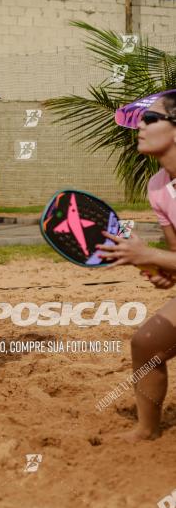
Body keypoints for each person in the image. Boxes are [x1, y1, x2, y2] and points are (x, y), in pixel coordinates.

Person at [97, 92, 176, 440]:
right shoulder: (159, 187)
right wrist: (164, 272)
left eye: (151, 119)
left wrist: (151, 256)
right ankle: (146, 430)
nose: (140, 127)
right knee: (146, 343)